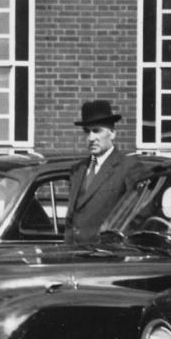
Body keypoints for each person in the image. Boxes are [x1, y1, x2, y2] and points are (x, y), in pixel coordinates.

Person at [64, 100, 147, 245]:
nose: (91, 138)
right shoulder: (78, 169)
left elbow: (140, 214)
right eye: (87, 131)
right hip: (74, 256)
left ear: (112, 133)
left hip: (108, 257)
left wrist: (115, 243)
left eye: (97, 131)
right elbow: (72, 217)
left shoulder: (128, 167)